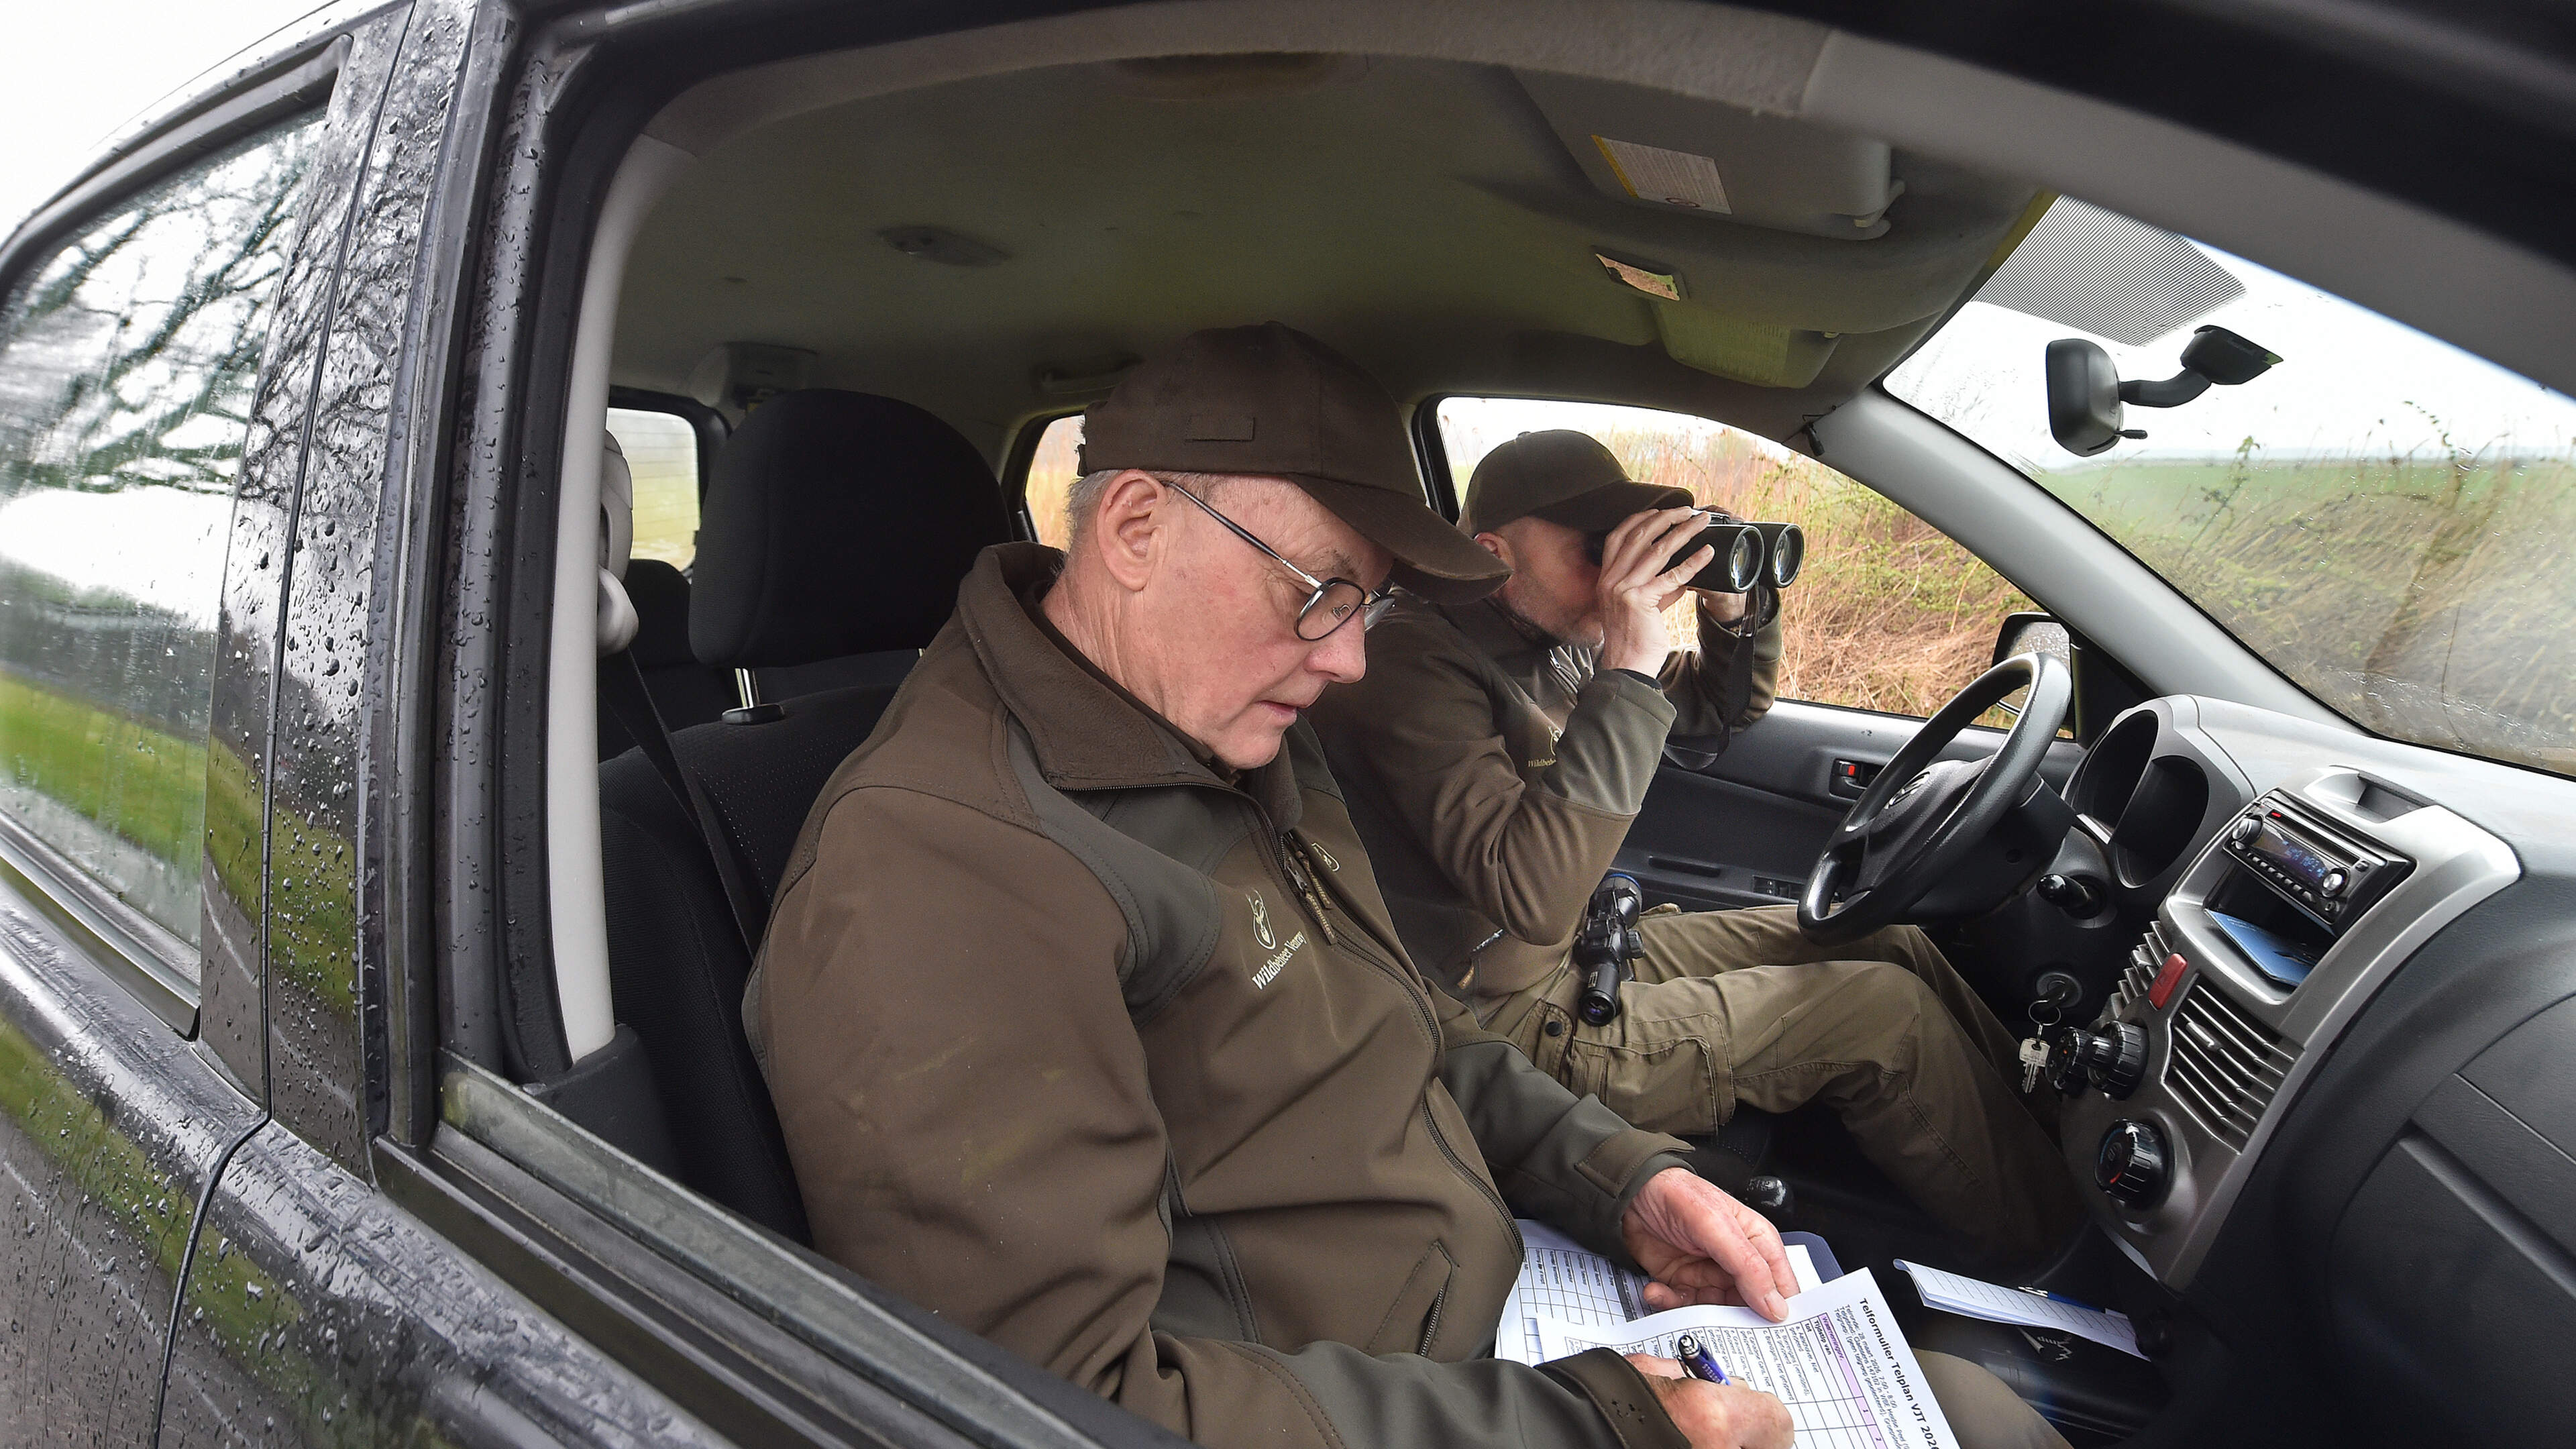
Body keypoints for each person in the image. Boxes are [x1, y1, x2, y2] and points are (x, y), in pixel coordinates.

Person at [750, 325, 2069, 1449]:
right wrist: (1606, 1423)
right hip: (1410, 1391)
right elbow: (1052, 1408)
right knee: (1980, 1420)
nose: (1346, 663)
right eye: (1322, 591)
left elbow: (1415, 1024)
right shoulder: (942, 870)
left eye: (1365, 606)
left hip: (1496, 1306)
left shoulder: (1219, 734)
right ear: (1139, 526)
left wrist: (1617, 1181)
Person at [1305, 429, 2084, 1269]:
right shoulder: (1409, 665)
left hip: (1577, 953)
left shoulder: (1549, 638)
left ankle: (2059, 1135)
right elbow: (1532, 894)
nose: (1618, 571)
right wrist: (1627, 668)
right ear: (1494, 555)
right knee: (1884, 1019)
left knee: (1888, 939)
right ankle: (2064, 1253)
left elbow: (1716, 711)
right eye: (1596, 548)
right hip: (1505, 1013)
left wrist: (1730, 611)